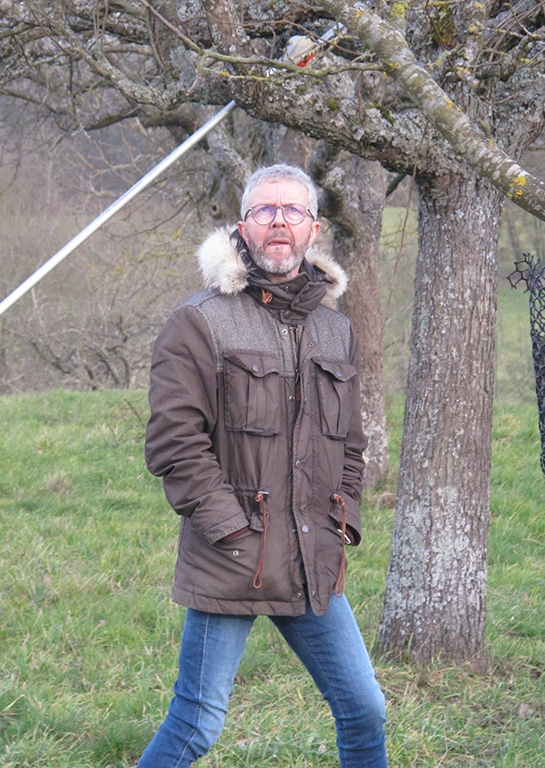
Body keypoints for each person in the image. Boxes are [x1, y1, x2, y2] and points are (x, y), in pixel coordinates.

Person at [139, 163, 387, 767]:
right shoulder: (200, 321)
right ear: (243, 226)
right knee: (197, 724)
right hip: (233, 558)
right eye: (265, 211)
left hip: (311, 557)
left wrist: (341, 521)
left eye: (293, 211)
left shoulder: (336, 330)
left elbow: (350, 445)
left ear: (314, 229)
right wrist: (231, 531)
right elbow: (174, 443)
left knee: (365, 710)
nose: (279, 221)